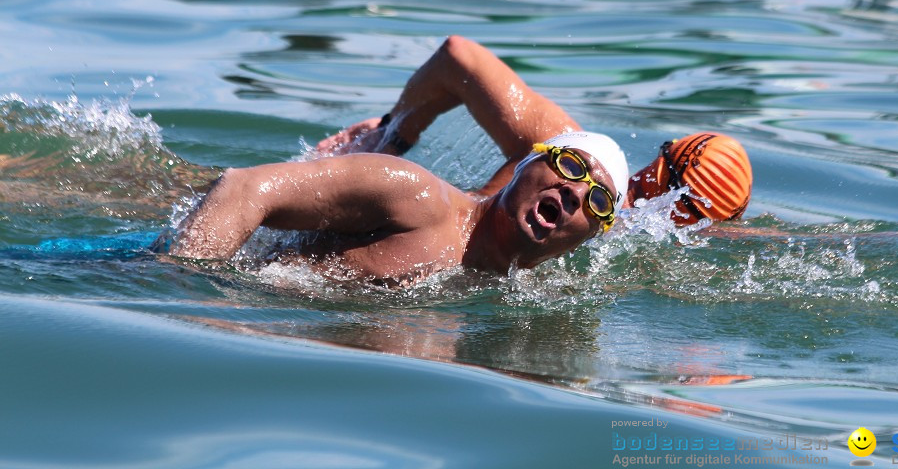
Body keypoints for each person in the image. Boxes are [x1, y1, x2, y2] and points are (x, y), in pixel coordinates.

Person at [317, 35, 752, 226]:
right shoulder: (620, 234)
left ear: (666, 153)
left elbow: (458, 54)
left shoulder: (566, 150)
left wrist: (394, 132)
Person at [168, 131, 629, 285]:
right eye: (570, 165)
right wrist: (184, 287)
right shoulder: (416, 198)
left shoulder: (536, 298)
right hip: (145, 275)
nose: (575, 192)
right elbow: (243, 188)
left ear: (593, 234)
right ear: (526, 164)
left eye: (598, 200)